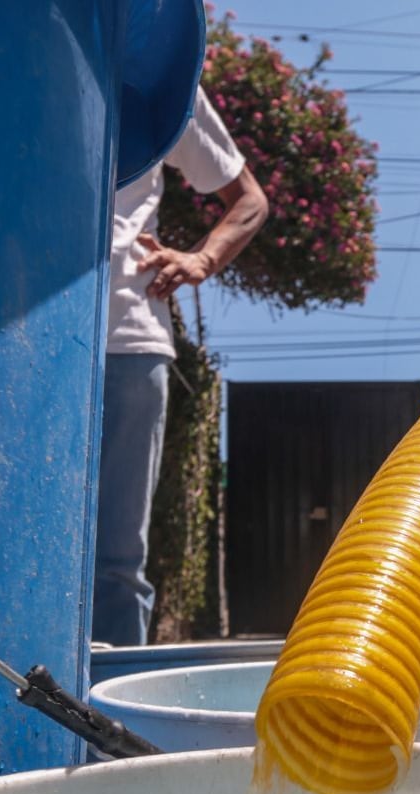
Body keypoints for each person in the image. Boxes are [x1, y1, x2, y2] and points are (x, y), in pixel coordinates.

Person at [92, 87, 268, 646]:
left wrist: (203, 258)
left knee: (116, 559)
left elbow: (250, 200)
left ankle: (105, 701)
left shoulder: (160, 73)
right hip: (21, 332)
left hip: (127, 341)